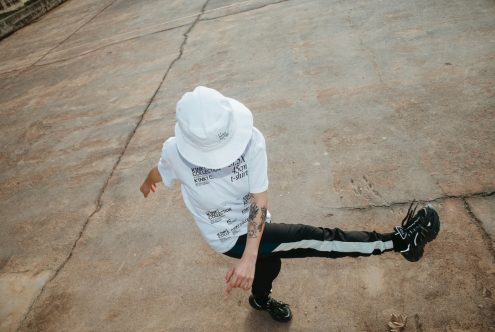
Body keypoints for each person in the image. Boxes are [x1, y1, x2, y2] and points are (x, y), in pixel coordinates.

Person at [140, 86, 440, 322]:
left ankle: (259, 299)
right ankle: (400, 243)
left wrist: (250, 259)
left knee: (269, 262)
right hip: (228, 236)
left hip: (257, 220)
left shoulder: (250, 140)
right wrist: (148, 180)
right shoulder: (175, 153)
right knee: (316, 239)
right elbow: (162, 169)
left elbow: (259, 197)